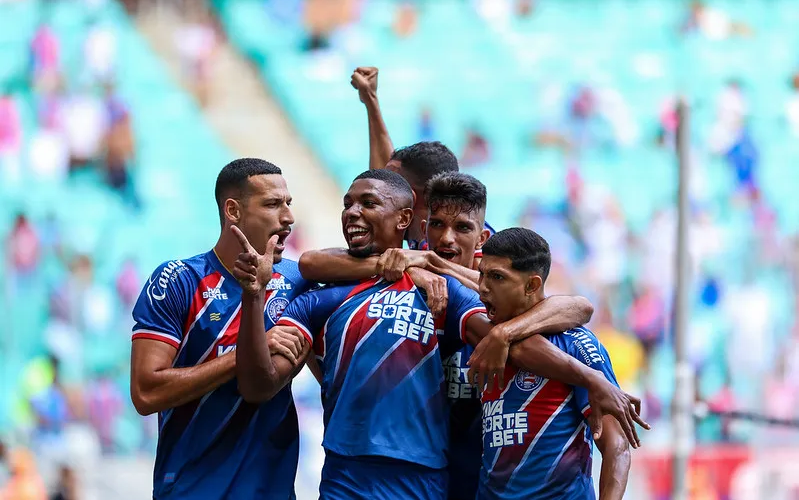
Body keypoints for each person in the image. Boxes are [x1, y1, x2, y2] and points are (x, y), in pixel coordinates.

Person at [231, 169, 646, 500]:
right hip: (360, 477)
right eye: (438, 227)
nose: (447, 238)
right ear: (422, 229)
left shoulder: (480, 303)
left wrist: (513, 339)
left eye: (461, 228)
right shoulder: (344, 292)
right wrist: (255, 303)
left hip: (433, 482)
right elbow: (311, 265)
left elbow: (569, 310)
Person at [129, 158, 312, 499]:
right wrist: (245, 356)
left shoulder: (297, 281)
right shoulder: (180, 280)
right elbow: (145, 392)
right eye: (272, 204)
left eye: (288, 204)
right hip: (191, 489)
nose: (287, 217)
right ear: (233, 211)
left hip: (270, 490)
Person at [477, 228, 631, 499]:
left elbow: (616, 447)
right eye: (482, 274)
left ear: (532, 286)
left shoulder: (576, 344)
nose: (482, 287)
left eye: (497, 277)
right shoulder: (485, 335)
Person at [350, 66, 495, 266]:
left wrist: (426, 262)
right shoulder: (411, 218)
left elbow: (487, 286)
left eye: (392, 183)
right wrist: (370, 100)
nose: (382, 186)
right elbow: (384, 168)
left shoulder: (475, 242)